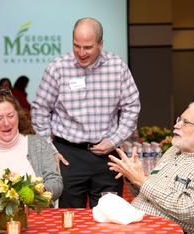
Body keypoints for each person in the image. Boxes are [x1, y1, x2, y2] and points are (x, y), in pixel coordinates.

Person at [31, 17, 140, 208]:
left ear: (100, 44)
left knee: (109, 217)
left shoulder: (117, 66)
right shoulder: (58, 67)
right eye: (76, 46)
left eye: (88, 47)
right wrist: (50, 149)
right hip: (68, 155)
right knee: (69, 219)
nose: (81, 53)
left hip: (107, 155)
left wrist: (114, 140)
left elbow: (132, 106)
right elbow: (39, 110)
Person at [108, 100, 194, 234]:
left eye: (185, 123)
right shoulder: (172, 151)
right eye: (179, 119)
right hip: (134, 225)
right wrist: (132, 177)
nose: (176, 125)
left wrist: (141, 180)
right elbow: (151, 195)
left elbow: (192, 211)